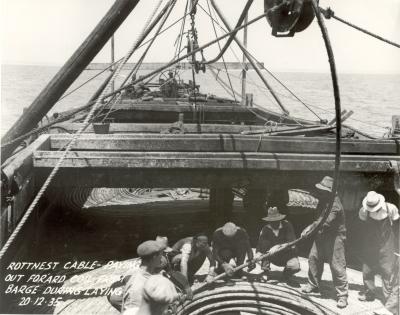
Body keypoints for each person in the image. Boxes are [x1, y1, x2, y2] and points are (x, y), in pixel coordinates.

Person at [301, 176, 349, 309]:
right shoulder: (324, 201)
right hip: (322, 233)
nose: (320, 192)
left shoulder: (335, 205)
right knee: (313, 258)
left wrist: (310, 228)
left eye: (323, 190)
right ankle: (313, 284)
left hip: (335, 237)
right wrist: (312, 227)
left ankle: (342, 295)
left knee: (337, 265)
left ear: (330, 192)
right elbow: (318, 219)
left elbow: (325, 221)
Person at [358, 191, 399, 308]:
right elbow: (362, 224)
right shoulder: (364, 211)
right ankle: (369, 293)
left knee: (388, 270)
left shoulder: (391, 208)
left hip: (387, 243)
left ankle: (388, 298)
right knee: (367, 269)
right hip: (371, 243)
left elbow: (396, 225)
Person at [256, 206, 300, 286]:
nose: (273, 223)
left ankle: (286, 275)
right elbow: (260, 245)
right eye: (271, 221)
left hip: (286, 255)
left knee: (295, 266)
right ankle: (266, 271)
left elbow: (292, 242)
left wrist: (277, 247)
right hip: (272, 256)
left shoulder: (287, 225)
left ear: (279, 219)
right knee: (264, 246)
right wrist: (258, 254)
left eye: (276, 221)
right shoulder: (265, 229)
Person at [121, 240, 165, 315]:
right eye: (161, 255)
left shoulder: (150, 275)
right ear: (154, 257)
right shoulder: (138, 286)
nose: (162, 258)